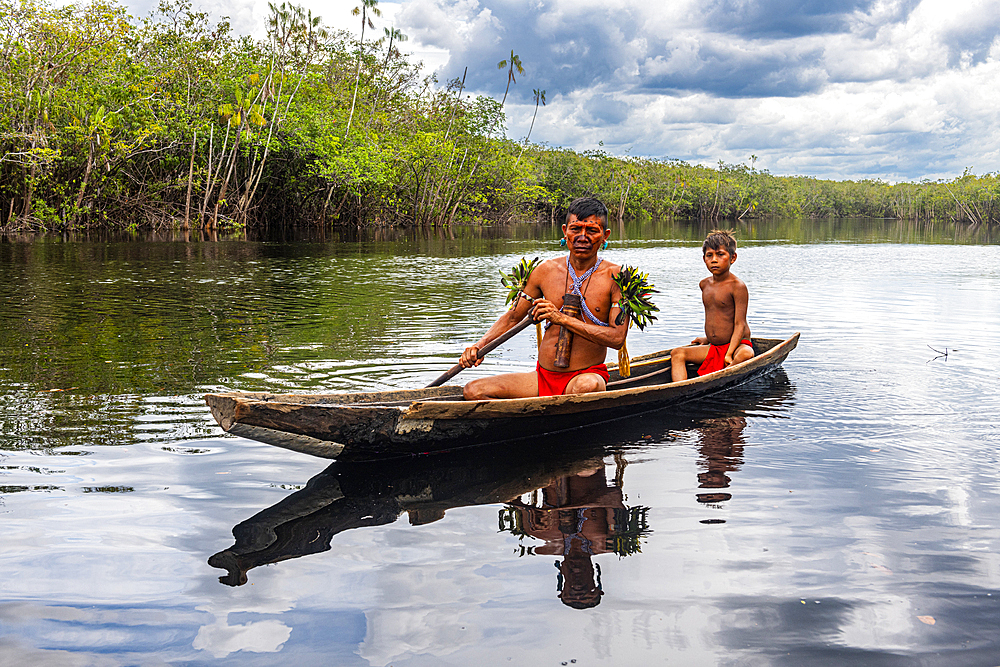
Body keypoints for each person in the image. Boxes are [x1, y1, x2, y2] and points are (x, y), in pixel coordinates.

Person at [460, 197, 628, 399]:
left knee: (587, 386)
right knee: (473, 390)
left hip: (585, 377)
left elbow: (617, 339)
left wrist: (561, 319)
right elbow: (513, 318)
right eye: (576, 229)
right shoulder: (545, 271)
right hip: (543, 378)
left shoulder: (617, 278)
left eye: (592, 230)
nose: (582, 237)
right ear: (565, 231)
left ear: (604, 235)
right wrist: (479, 346)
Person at [670, 229, 754, 382]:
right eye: (709, 255)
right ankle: (681, 389)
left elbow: (739, 324)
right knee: (677, 353)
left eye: (720, 254)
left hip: (736, 345)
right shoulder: (704, 285)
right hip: (714, 346)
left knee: (747, 354)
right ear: (704, 259)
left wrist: (729, 353)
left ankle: (724, 377)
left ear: (732, 258)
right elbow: (715, 316)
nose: (714, 260)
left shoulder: (737, 286)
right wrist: (708, 339)